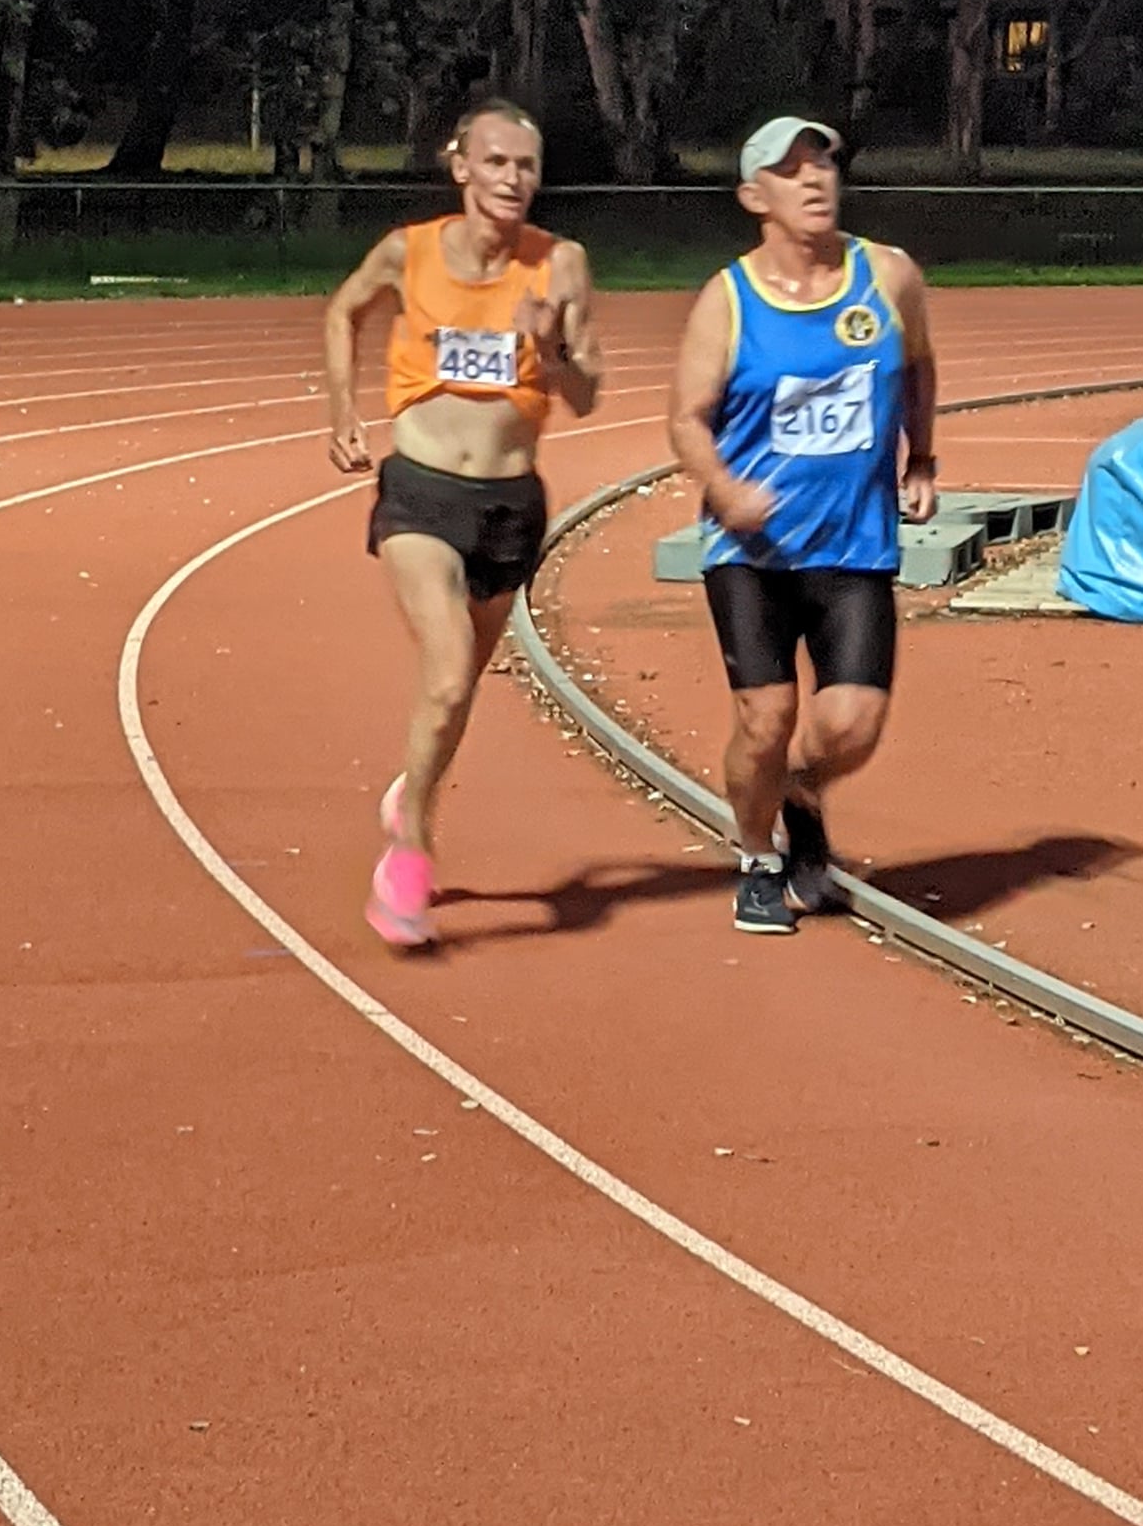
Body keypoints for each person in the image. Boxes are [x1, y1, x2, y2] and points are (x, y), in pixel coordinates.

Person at [323, 100, 604, 946]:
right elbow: (344, 312)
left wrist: (552, 348)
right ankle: (410, 849)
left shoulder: (560, 264)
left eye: (526, 166)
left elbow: (586, 397)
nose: (512, 179)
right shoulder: (408, 252)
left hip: (511, 506)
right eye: (496, 163)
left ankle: (412, 788)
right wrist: (343, 408)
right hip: (420, 490)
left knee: (460, 690)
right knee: (447, 676)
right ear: (461, 167)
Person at [667, 115, 938, 934]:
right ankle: (756, 857)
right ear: (756, 196)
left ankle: (797, 789)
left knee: (851, 724)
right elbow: (686, 419)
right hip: (751, 549)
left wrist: (921, 456)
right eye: (791, 172)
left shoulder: (888, 276)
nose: (816, 181)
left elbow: (918, 364)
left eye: (824, 165)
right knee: (767, 716)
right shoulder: (729, 299)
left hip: (855, 541)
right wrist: (725, 488)